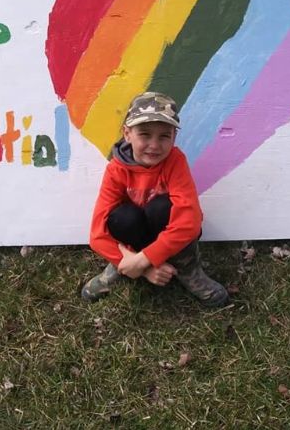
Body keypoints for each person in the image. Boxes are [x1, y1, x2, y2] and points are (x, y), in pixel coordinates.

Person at [82, 91, 229, 306]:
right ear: (127, 134)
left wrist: (143, 259)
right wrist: (145, 269)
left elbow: (190, 221)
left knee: (163, 207)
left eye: (164, 136)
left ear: (174, 137)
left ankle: (187, 269)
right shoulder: (116, 170)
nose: (154, 145)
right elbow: (97, 234)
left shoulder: (175, 161)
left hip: (165, 233)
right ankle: (122, 265)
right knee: (122, 217)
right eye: (144, 134)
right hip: (136, 238)